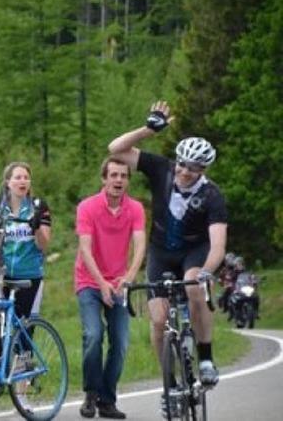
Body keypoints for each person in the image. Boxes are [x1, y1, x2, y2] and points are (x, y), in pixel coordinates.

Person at [108, 101, 227, 418]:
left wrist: (206, 272)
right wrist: (148, 129)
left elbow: (217, 245)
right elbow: (116, 148)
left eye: (194, 168)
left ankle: (205, 356)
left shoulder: (212, 195)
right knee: (159, 319)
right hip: (161, 251)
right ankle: (170, 383)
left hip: (194, 251)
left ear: (204, 170)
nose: (185, 172)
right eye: (183, 164)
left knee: (192, 289)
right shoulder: (162, 167)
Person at [0, 161, 52, 414]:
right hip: (3, 277)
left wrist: (36, 226)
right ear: (7, 182)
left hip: (30, 277)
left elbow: (43, 245)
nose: (22, 181)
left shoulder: (38, 207)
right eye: (17, 177)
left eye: (26, 177)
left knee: (24, 334)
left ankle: (22, 395)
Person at [75, 157, 146, 419]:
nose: (118, 180)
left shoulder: (136, 208)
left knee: (121, 342)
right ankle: (91, 393)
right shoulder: (87, 207)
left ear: (128, 180)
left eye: (123, 176)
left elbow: (140, 245)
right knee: (93, 335)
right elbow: (84, 247)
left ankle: (107, 400)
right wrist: (101, 282)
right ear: (104, 179)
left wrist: (128, 276)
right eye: (113, 175)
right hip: (89, 281)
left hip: (120, 283)